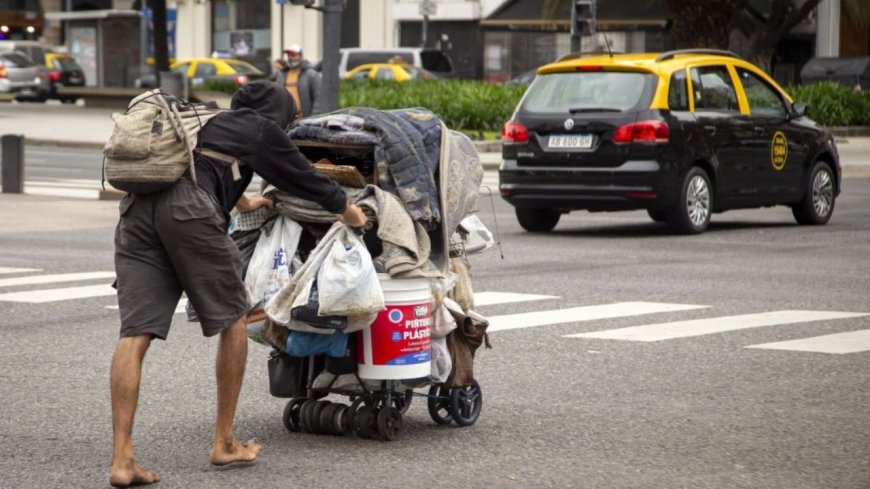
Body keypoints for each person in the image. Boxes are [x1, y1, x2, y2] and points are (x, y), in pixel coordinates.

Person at [108, 81, 366, 487]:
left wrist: (245, 202)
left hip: (137, 214)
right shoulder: (261, 128)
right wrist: (349, 212)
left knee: (134, 333)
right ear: (278, 113)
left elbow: (206, 168)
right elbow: (305, 179)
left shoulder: (209, 121)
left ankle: (122, 460)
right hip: (189, 213)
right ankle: (224, 441)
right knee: (233, 321)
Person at [275, 44, 322, 117]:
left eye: (293, 55)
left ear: (301, 57)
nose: (290, 58)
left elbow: (318, 98)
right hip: (286, 120)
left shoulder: (311, 74)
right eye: (289, 55)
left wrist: (313, 118)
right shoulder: (282, 75)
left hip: (305, 119)